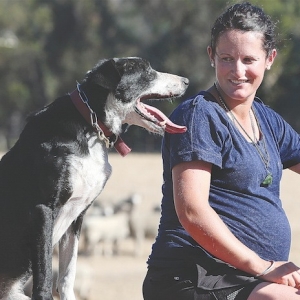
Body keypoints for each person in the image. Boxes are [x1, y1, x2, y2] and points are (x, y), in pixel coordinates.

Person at [142, 2, 300, 300]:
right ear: (211, 56)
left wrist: (263, 270)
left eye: (248, 59)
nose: (237, 71)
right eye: (227, 58)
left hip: (249, 276)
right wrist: (263, 266)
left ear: (270, 59)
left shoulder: (267, 119)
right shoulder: (199, 116)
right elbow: (192, 210)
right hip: (193, 275)